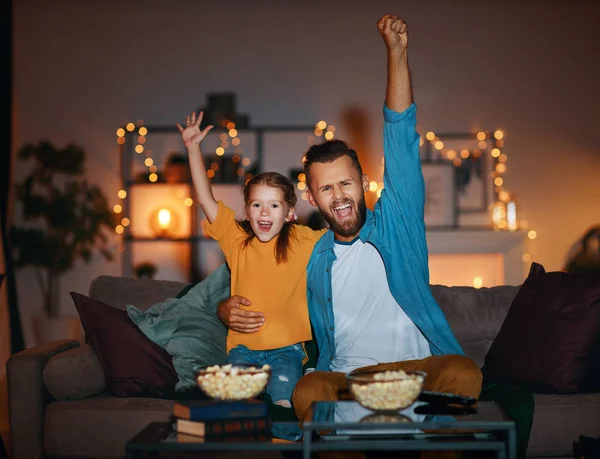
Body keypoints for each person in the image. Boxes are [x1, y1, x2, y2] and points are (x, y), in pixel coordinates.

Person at [217, 13, 483, 425]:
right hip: (347, 377)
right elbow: (253, 274)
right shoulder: (310, 250)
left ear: (363, 183)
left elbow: (400, 133)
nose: (339, 196)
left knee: (463, 372)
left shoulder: (399, 225)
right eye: (326, 188)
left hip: (416, 372)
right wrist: (222, 309)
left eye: (346, 183)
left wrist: (396, 53)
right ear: (310, 197)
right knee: (308, 388)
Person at [176, 112, 326, 416]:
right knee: (236, 404)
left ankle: (286, 441)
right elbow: (205, 199)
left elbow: (345, 231)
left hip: (289, 350)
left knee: (283, 402)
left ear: (290, 213)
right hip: (243, 350)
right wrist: (193, 148)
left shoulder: (303, 240)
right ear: (247, 210)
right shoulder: (237, 239)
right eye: (257, 204)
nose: (265, 212)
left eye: (274, 205)